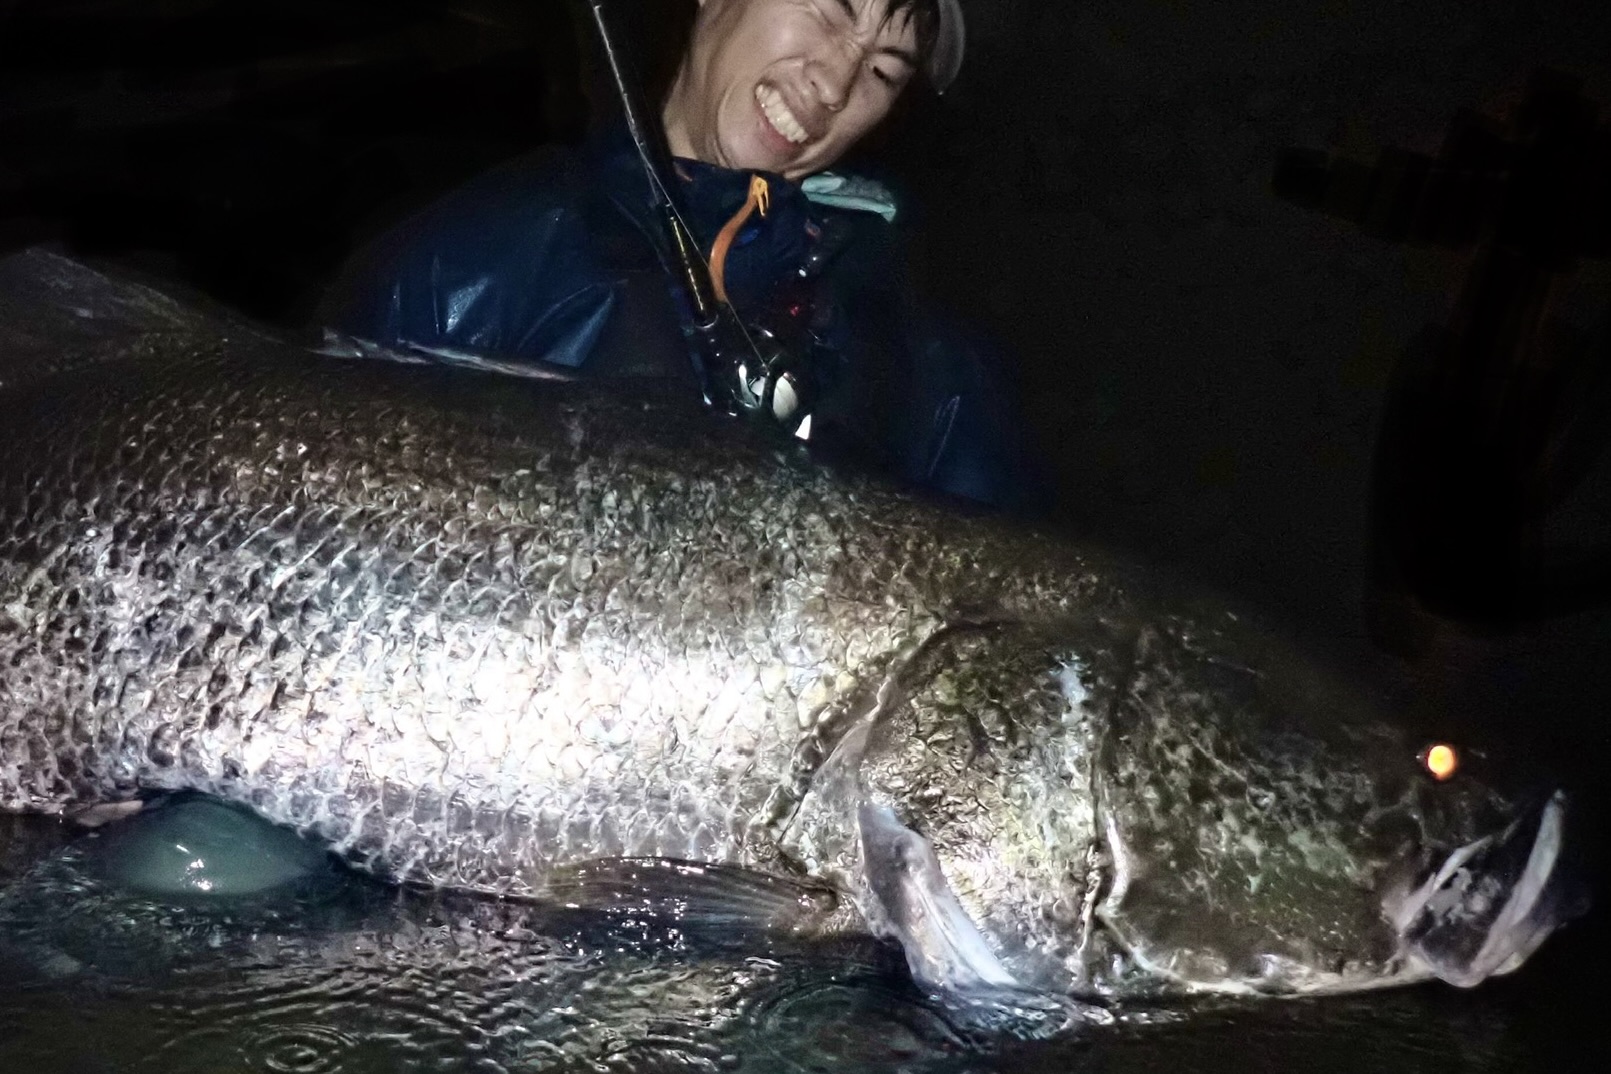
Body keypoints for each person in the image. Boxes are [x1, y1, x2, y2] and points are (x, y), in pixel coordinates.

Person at [318, 0, 1046, 514]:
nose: (833, 86)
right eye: (827, 8)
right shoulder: (460, 271)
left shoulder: (936, 375)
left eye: (885, 71)